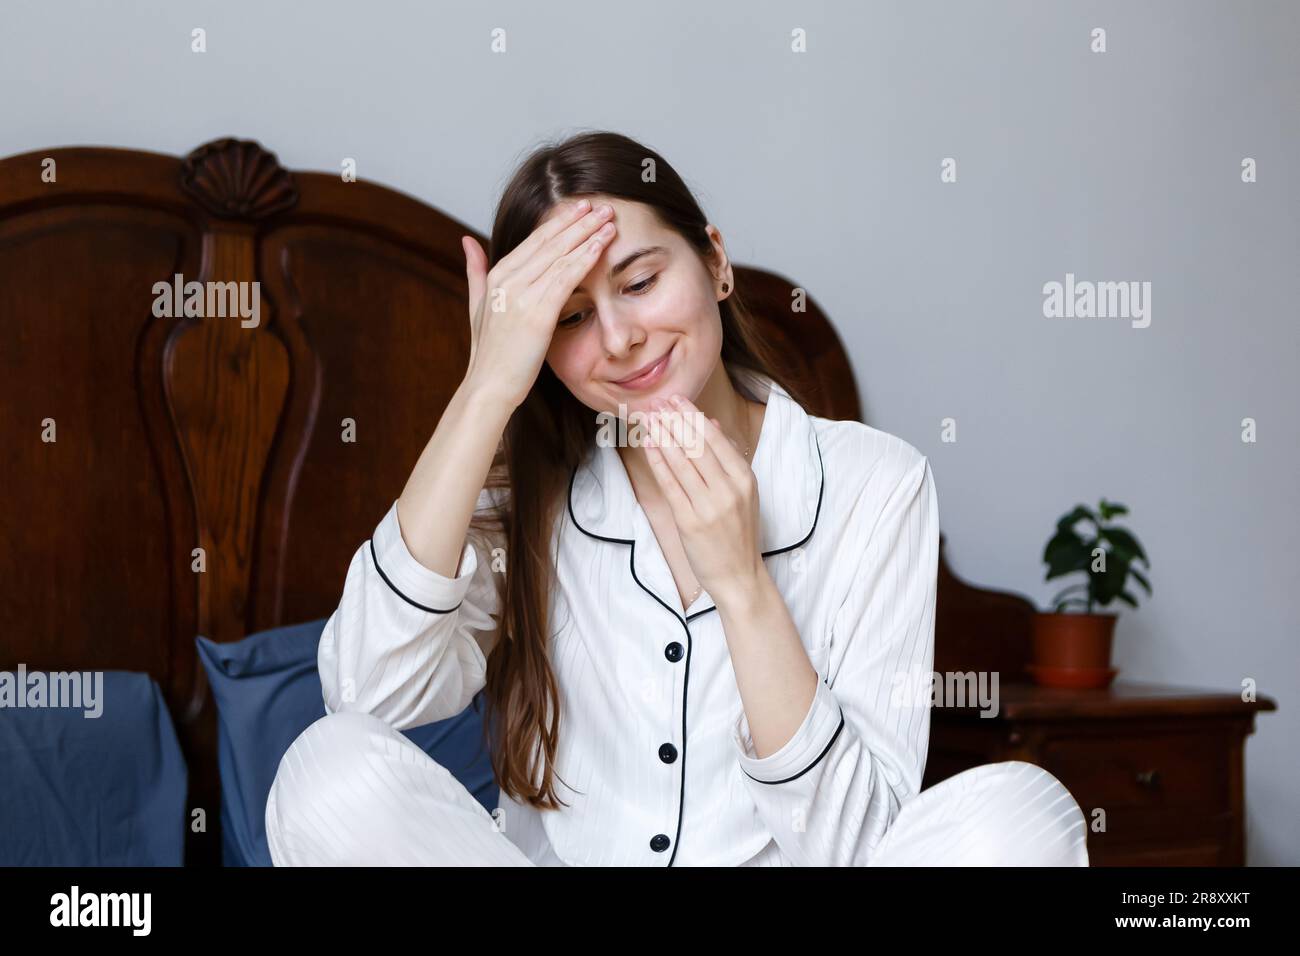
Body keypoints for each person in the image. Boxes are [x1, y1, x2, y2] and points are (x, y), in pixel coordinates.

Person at [265, 130, 1089, 867]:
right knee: (323, 773)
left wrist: (744, 587)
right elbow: (368, 695)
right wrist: (485, 389)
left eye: (642, 281)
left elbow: (857, 848)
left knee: (1022, 815)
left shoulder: (877, 483)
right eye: (572, 316)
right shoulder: (530, 495)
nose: (619, 339)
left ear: (717, 263)